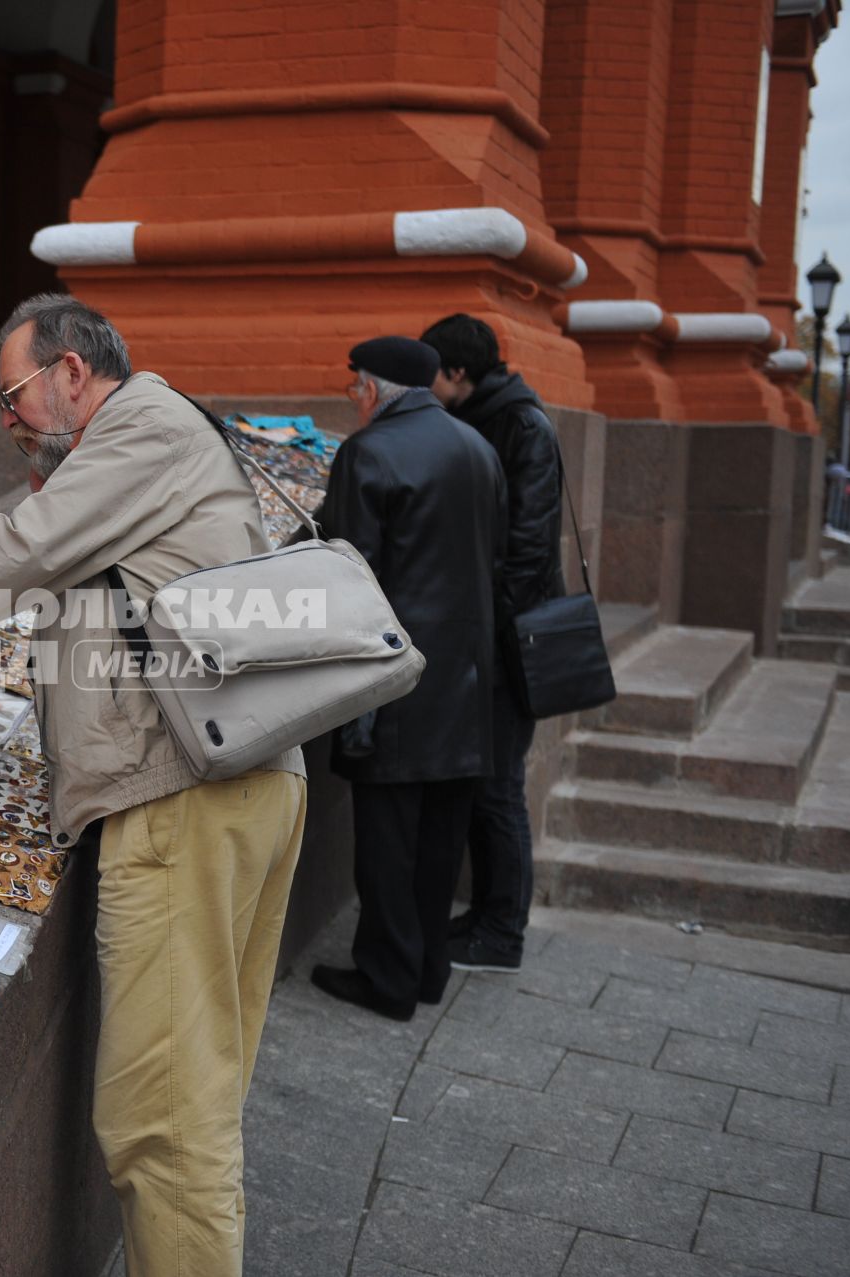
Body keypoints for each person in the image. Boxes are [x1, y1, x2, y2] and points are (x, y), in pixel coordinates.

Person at [0, 294, 308, 1277]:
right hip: (229, 783)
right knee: (196, 1099)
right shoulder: (132, 444)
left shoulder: (145, 427)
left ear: (73, 371)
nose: (10, 419)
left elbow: (16, 551)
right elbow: (29, 535)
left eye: (16, 394)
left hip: (180, 799)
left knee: (161, 1123)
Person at [307, 336, 506, 1022]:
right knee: (439, 842)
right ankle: (425, 970)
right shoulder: (478, 449)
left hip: (397, 681)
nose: (353, 400)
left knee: (388, 844)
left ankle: (388, 977)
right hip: (467, 681)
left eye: (354, 386)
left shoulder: (369, 452)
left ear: (372, 387)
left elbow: (348, 570)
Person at [421, 313, 565, 973]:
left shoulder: (523, 426)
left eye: (433, 374)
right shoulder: (482, 419)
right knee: (484, 781)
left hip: (510, 642)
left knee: (501, 784)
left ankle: (504, 932)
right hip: (484, 637)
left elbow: (529, 552)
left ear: (457, 373)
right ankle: (483, 915)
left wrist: (483, 626)